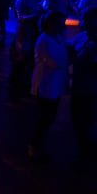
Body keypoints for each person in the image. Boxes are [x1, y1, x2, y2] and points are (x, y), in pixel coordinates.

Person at [27, 11, 68, 162]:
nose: (63, 26)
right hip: (45, 84)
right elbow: (56, 62)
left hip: (54, 84)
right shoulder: (44, 40)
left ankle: (39, 146)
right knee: (45, 118)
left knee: (49, 117)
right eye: (60, 23)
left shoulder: (58, 38)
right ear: (50, 24)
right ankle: (34, 146)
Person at [69, 8, 97, 169]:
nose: (85, 23)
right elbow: (72, 52)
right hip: (78, 86)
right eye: (85, 19)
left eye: (90, 20)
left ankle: (87, 157)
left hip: (92, 89)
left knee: (89, 123)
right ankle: (83, 154)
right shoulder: (81, 36)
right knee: (78, 122)